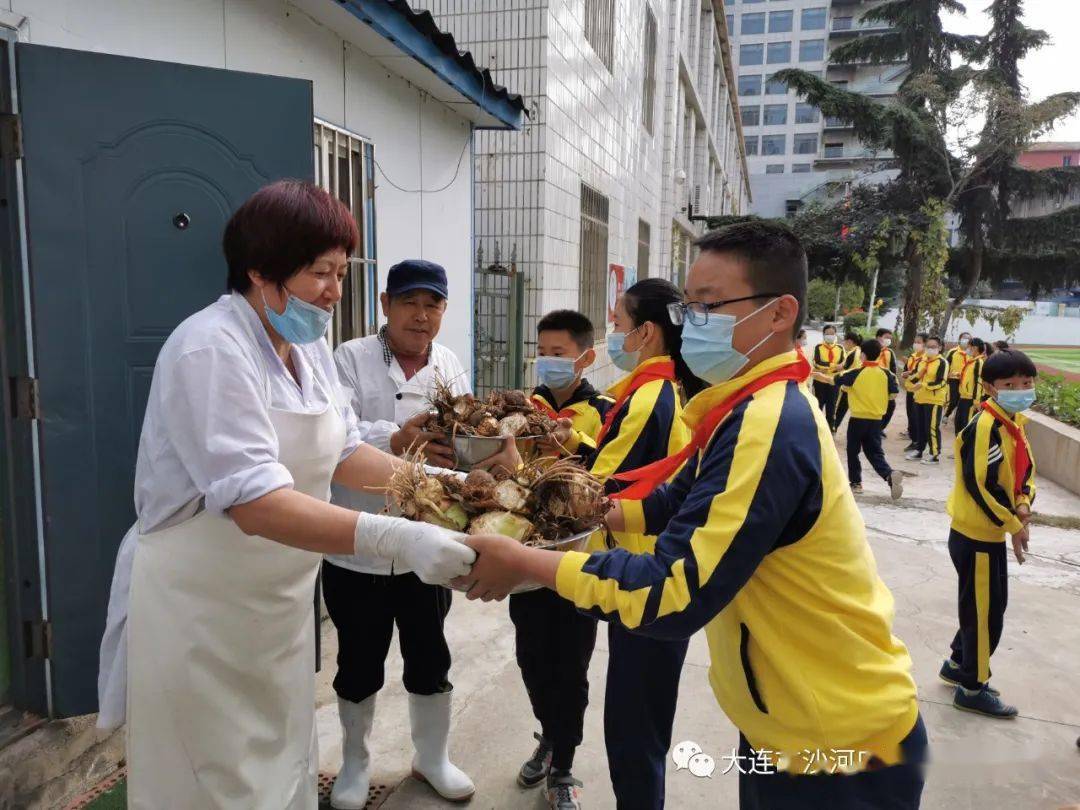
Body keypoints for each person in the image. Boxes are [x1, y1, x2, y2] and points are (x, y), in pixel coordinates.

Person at [458, 222, 925, 810]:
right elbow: (666, 501)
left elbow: (673, 592)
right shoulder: (740, 407)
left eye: (708, 306)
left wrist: (527, 561)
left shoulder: (767, 423)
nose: (691, 324)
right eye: (688, 307)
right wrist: (567, 505)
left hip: (837, 740)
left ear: (779, 313)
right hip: (785, 720)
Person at [113, 181, 486, 808]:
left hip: (277, 598)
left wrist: (447, 487)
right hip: (204, 605)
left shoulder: (305, 350)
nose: (335, 291)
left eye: (341, 272)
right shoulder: (211, 349)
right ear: (260, 270)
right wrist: (397, 535)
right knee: (218, 772)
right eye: (320, 272)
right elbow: (254, 501)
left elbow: (343, 450)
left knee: (284, 757)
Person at [324, 259, 515, 807]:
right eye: (409, 302)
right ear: (386, 304)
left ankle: (432, 758)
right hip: (357, 541)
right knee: (357, 661)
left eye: (433, 304)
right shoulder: (349, 358)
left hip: (427, 541)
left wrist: (490, 453)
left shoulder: (449, 363)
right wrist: (395, 438)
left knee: (430, 656)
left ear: (444, 311)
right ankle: (355, 765)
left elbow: (463, 438)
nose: (421, 315)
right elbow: (332, 434)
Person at [546, 279, 701, 810]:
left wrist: (522, 473)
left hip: (645, 576)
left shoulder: (653, 395)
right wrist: (571, 442)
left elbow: (598, 488)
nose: (613, 334)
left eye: (617, 324)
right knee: (639, 722)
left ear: (646, 332)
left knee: (633, 731)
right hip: (650, 562)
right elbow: (623, 463)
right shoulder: (655, 388)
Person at [510, 310, 611, 810]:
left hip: (579, 561)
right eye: (542, 352)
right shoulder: (522, 408)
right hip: (529, 556)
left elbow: (611, 473)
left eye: (559, 354)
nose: (548, 361)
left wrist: (570, 443)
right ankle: (549, 736)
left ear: (585, 358)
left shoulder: (606, 411)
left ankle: (564, 765)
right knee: (531, 656)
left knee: (571, 664)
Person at [939, 349, 1037, 719]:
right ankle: (972, 687)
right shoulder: (985, 427)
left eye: (1026, 383)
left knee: (987, 607)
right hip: (976, 535)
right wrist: (1014, 525)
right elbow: (980, 486)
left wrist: (1023, 504)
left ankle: (957, 664)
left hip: (991, 534)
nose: (1020, 390)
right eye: (1010, 384)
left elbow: (1023, 473)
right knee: (985, 617)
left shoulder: (1014, 423)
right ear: (990, 388)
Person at [836, 339, 903, 498]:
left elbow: (837, 380)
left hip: (858, 419)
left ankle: (856, 483)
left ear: (863, 355)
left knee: (853, 451)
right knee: (875, 452)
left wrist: (847, 388)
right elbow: (894, 393)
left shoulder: (856, 372)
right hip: (876, 420)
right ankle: (889, 475)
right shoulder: (887, 373)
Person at [907, 335, 948, 464]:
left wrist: (924, 385)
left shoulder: (942, 362)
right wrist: (909, 376)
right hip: (920, 398)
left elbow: (941, 382)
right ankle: (919, 450)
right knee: (920, 426)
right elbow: (916, 375)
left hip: (934, 400)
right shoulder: (922, 360)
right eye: (928, 346)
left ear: (939, 348)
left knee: (932, 427)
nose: (930, 349)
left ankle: (934, 454)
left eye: (933, 347)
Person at [811, 324, 844, 429]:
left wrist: (827, 368)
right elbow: (817, 363)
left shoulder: (840, 348)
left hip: (834, 382)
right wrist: (834, 366)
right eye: (827, 333)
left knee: (832, 407)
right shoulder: (818, 347)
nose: (830, 335)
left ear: (835, 334)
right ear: (823, 334)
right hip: (819, 381)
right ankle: (817, 428)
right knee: (818, 406)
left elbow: (843, 364)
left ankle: (830, 428)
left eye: (832, 333)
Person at [953, 337, 986, 434]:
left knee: (966, 426)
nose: (967, 349)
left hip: (971, 399)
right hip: (963, 397)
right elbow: (970, 377)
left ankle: (965, 444)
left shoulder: (978, 362)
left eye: (969, 346)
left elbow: (979, 382)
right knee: (958, 423)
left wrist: (976, 400)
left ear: (975, 348)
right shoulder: (971, 361)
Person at [900, 334, 928, 451]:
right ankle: (914, 440)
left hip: (918, 390)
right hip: (910, 389)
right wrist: (905, 373)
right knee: (911, 416)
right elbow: (906, 370)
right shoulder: (912, 356)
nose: (916, 344)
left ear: (925, 344)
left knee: (916, 417)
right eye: (915, 342)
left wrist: (910, 373)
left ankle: (918, 442)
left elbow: (920, 373)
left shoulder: (926, 359)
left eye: (919, 342)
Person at [831, 331, 862, 431]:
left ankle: (833, 427)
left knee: (840, 409)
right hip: (858, 387)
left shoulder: (853, 353)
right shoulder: (860, 351)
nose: (844, 343)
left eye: (845, 341)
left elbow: (843, 367)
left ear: (850, 341)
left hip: (848, 387)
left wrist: (831, 366)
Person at [944, 331, 972, 421]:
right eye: (964, 338)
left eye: (968, 339)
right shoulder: (953, 352)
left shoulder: (972, 353)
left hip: (966, 380)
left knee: (962, 400)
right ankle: (946, 415)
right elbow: (946, 365)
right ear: (960, 339)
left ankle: (957, 417)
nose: (966, 340)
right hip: (954, 379)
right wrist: (946, 376)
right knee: (954, 400)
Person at [877, 328, 899, 434]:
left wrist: (893, 384)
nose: (888, 340)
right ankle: (873, 429)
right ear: (878, 337)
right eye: (886, 337)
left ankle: (880, 428)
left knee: (890, 406)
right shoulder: (871, 349)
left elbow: (893, 369)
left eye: (890, 338)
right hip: (873, 382)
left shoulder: (889, 352)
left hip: (886, 383)